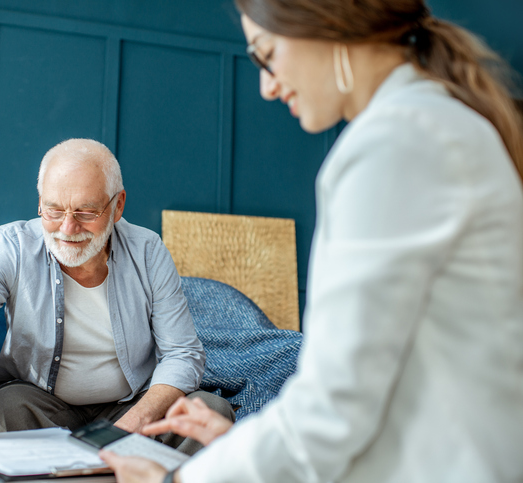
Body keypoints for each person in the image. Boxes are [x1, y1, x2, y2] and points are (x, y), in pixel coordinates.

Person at [101, 0, 523, 482]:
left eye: (267, 54)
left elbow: (333, 410)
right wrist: (241, 446)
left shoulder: (396, 143)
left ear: (327, 23)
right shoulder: (437, 124)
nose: (267, 85)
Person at [0, 138, 234, 454]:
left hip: (131, 405)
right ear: (40, 202)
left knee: (211, 411)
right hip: (42, 408)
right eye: (54, 210)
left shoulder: (148, 251)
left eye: (86, 211)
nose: (68, 229)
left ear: (118, 206)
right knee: (6, 407)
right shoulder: (13, 245)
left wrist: (139, 418)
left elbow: (182, 352)